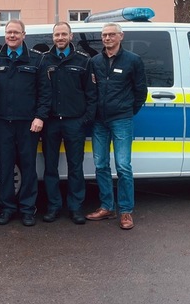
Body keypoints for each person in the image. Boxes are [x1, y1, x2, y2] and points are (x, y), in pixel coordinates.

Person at [0, 20, 50, 227]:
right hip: (3, 123)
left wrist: (40, 117)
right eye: (8, 32)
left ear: (24, 34)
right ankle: (7, 208)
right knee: (5, 167)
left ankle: (27, 209)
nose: (12, 36)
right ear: (4, 35)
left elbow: (45, 92)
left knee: (28, 167)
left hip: (28, 124)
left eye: (16, 32)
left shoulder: (37, 60)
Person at [86, 22, 147, 230]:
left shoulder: (133, 60)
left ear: (121, 36)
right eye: (104, 35)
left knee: (123, 166)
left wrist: (128, 111)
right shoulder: (94, 61)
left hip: (121, 119)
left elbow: (141, 92)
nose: (107, 38)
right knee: (101, 164)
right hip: (99, 121)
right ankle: (106, 207)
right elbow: (90, 91)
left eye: (112, 34)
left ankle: (126, 211)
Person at [39, 22, 97, 225]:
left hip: (75, 122)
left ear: (70, 36)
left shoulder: (83, 60)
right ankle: (53, 207)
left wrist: (85, 120)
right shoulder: (45, 60)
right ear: (52, 37)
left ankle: (75, 207)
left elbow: (91, 93)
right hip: (51, 123)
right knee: (50, 168)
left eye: (64, 34)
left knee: (75, 167)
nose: (60, 37)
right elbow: (40, 92)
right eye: (57, 34)